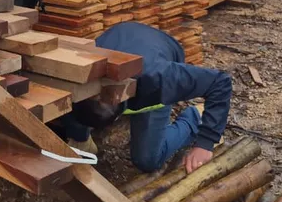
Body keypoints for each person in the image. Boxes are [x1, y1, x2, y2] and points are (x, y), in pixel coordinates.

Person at [62, 22, 232, 174]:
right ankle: (81, 137)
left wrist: (206, 142)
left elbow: (220, 82)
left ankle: (194, 118)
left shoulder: (160, 79)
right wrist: (79, 136)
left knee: (148, 160)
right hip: (124, 33)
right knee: (72, 112)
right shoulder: (81, 74)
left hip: (161, 47)